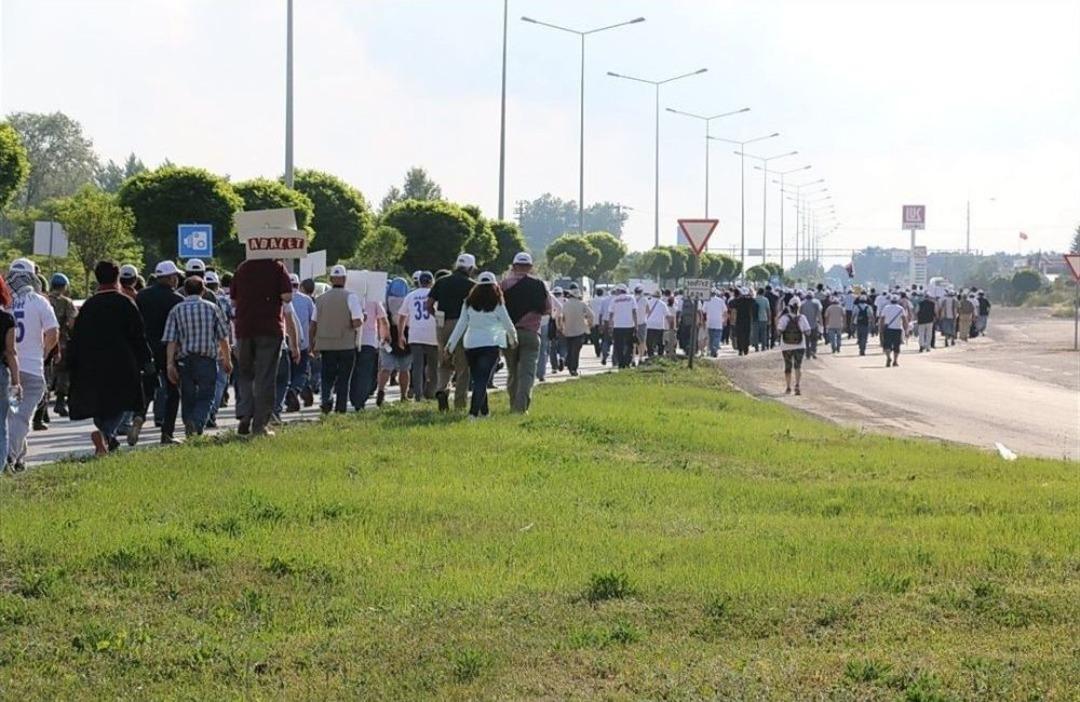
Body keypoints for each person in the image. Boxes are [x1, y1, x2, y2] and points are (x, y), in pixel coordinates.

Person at [67, 261, 150, 456]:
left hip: (92, 364)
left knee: (100, 403)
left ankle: (106, 437)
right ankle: (106, 434)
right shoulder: (125, 303)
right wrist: (146, 359)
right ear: (117, 278)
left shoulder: (88, 306)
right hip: (122, 362)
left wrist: (72, 363)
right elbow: (138, 335)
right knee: (121, 402)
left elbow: (77, 337)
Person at [230, 257, 294, 436]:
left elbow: (233, 301)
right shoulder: (277, 268)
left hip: (244, 328)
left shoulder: (242, 268)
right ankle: (260, 426)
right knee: (265, 377)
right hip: (269, 328)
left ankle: (244, 413)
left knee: (245, 374)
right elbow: (287, 296)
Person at [163, 276, 233, 437]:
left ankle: (189, 422)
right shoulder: (212, 308)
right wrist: (227, 360)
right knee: (207, 394)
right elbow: (223, 336)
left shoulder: (176, 310)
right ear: (203, 290)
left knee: (187, 395)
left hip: (184, 360)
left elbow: (171, 340)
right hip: (207, 359)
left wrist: (169, 364)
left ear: (185, 290)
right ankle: (197, 422)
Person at [5, 259, 58, 471]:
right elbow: (53, 332)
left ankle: (18, 456)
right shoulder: (39, 301)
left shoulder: (4, 302)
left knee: (10, 416)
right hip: (32, 370)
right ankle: (10, 457)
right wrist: (42, 354)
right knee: (21, 418)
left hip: (8, 368)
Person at [445, 272, 517, 419]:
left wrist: (450, 346)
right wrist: (513, 339)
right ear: (494, 286)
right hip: (490, 344)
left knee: (478, 378)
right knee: (482, 380)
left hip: (471, 345)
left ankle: (485, 412)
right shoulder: (497, 303)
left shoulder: (468, 303)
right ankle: (473, 413)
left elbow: (460, 325)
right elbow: (507, 323)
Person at [500, 253, 550, 412]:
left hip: (509, 334)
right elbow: (548, 309)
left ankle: (513, 403)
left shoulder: (504, 285)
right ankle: (521, 409)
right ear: (530, 267)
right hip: (531, 334)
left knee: (512, 372)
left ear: (513, 266)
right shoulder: (539, 285)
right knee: (527, 374)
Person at [311, 265, 363, 414]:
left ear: (331, 279)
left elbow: (313, 324)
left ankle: (326, 399)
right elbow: (356, 321)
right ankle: (341, 408)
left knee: (327, 375)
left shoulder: (320, 299)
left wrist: (311, 344)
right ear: (345, 279)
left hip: (326, 344)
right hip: (346, 344)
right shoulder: (350, 297)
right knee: (344, 378)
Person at [427, 253, 476, 412]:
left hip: (442, 324)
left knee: (444, 361)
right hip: (462, 325)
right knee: (463, 366)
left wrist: (437, 317)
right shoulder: (472, 285)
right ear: (470, 268)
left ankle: (442, 389)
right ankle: (460, 403)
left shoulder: (441, 281)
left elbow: (429, 305)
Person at [400, 271, 438, 401]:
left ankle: (418, 394)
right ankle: (432, 391)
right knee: (433, 365)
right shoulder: (435, 295)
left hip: (415, 334)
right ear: (431, 282)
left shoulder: (411, 296)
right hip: (432, 334)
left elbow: (402, 316)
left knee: (417, 365)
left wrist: (401, 334)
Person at [377, 277, 412, 405]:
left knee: (385, 368)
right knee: (404, 369)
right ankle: (403, 395)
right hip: (404, 336)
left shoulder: (384, 302)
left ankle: (381, 390)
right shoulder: (408, 301)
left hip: (387, 337)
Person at [351, 289, 387, 410]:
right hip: (369, 341)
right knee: (365, 372)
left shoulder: (351, 297)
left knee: (353, 371)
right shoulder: (375, 300)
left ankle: (353, 396)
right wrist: (385, 336)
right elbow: (383, 319)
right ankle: (360, 400)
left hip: (351, 340)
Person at [284, 274, 315, 412]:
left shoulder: (283, 300)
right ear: (298, 285)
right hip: (303, 343)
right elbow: (313, 321)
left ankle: (292, 392)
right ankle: (295, 390)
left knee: (287, 372)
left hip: (285, 342)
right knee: (302, 371)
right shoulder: (307, 300)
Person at [0, 278, 20, 472]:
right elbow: (10, 352)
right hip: (0, 373)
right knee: (1, 423)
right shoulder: (7, 319)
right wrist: (16, 381)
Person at [776, 299, 811, 396]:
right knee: (798, 366)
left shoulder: (784, 318)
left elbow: (779, 331)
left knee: (788, 366)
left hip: (786, 346)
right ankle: (797, 385)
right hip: (800, 345)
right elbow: (808, 332)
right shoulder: (802, 318)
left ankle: (788, 387)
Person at [559, 283, 594, 375]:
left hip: (568, 330)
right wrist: (589, 324)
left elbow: (560, 317)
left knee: (569, 349)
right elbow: (591, 315)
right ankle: (573, 369)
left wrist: (561, 327)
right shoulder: (582, 304)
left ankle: (566, 361)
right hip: (580, 330)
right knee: (576, 351)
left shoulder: (565, 304)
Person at [606, 284, 638, 369]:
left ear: (619, 291)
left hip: (618, 326)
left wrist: (610, 325)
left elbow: (611, 314)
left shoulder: (614, 300)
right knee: (629, 345)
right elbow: (634, 312)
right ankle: (627, 361)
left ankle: (621, 362)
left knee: (618, 345)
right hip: (629, 325)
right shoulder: (631, 298)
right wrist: (636, 324)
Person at [879, 294, 908, 367]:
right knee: (896, 346)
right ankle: (895, 361)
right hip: (897, 329)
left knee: (887, 345)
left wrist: (881, 329)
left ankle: (888, 357)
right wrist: (906, 330)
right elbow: (904, 320)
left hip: (888, 329)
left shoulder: (886, 308)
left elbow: (882, 319)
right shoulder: (901, 308)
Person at [644, 290, 671, 358]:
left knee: (649, 342)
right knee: (660, 343)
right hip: (659, 326)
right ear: (660, 296)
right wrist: (670, 326)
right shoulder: (662, 304)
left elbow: (644, 312)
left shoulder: (648, 302)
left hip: (649, 325)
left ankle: (650, 355)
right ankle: (660, 356)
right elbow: (667, 316)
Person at [730, 288, 755, 356]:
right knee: (746, 335)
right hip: (747, 320)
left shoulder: (737, 301)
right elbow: (754, 301)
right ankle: (746, 349)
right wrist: (750, 295)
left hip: (739, 320)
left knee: (739, 335)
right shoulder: (750, 301)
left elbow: (732, 304)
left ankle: (740, 350)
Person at [704, 289, 727, 358]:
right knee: (717, 337)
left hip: (710, 322)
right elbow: (725, 311)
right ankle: (715, 348)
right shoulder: (721, 301)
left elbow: (703, 311)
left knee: (711, 338)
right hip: (719, 322)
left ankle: (712, 350)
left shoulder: (706, 301)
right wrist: (725, 320)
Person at [801, 292, 823, 359]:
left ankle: (808, 354)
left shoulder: (802, 304)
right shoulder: (815, 304)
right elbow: (819, 314)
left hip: (805, 326)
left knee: (807, 341)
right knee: (814, 340)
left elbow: (800, 315)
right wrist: (821, 323)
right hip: (813, 324)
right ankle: (813, 351)